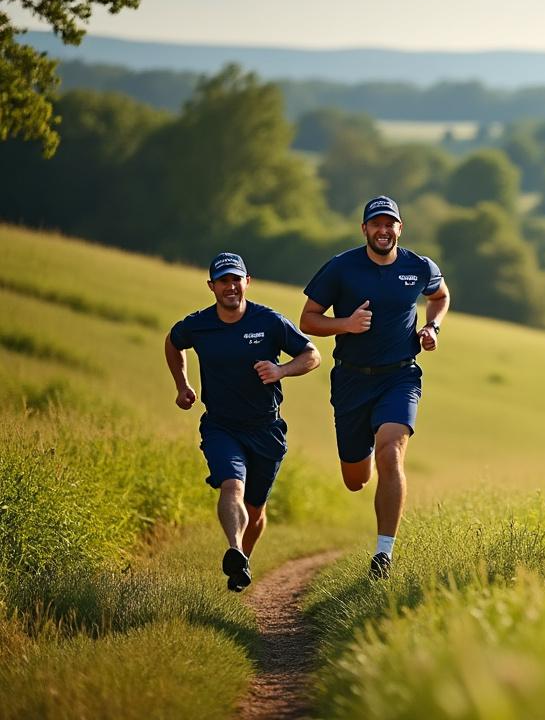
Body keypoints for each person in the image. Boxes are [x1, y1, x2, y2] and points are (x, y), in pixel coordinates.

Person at [300, 196, 449, 579]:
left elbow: (440, 295)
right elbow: (308, 320)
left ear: (400, 228)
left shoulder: (419, 267)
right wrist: (345, 325)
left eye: (390, 224)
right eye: (376, 224)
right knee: (356, 480)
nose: (383, 230)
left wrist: (432, 327)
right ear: (364, 229)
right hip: (351, 380)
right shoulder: (341, 267)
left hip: (400, 377)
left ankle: (384, 554)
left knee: (391, 454)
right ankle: (362, 457)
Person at [165, 252, 320, 592]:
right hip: (222, 427)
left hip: (266, 430)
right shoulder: (198, 325)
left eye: (236, 279)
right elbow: (173, 343)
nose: (230, 286)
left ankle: (242, 562)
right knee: (232, 485)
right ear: (212, 286)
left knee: (256, 509)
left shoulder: (269, 321)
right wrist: (182, 385)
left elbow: (312, 355)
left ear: (247, 282)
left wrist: (281, 370)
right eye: (223, 281)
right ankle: (234, 548)